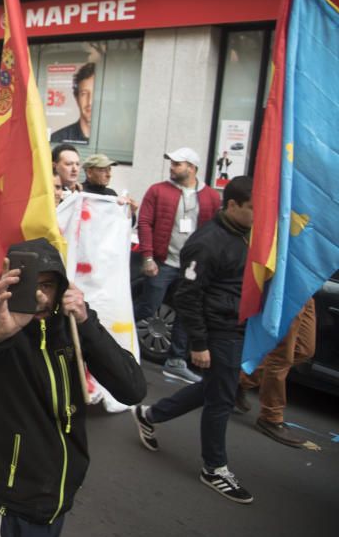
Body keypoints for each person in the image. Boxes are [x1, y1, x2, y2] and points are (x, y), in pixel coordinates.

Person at [0, 237, 145, 537]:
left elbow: (132, 388)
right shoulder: (4, 323)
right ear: (11, 285)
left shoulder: (72, 324)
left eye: (48, 285)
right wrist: (0, 332)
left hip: (61, 488)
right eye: (30, 285)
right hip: (15, 494)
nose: (39, 296)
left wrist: (85, 322)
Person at [133, 176, 255, 504]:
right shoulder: (206, 243)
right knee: (222, 398)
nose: (257, 215)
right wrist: (198, 343)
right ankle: (214, 467)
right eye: (251, 208)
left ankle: (150, 415)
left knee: (214, 388)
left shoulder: (246, 235)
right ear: (232, 206)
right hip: (219, 331)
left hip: (237, 325)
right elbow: (187, 296)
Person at [137, 147, 221, 383]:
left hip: (192, 267)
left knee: (187, 312)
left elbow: (215, 231)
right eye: (172, 163)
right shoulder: (157, 190)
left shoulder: (211, 197)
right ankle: (115, 336)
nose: (172, 168)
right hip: (163, 262)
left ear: (192, 168)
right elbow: (144, 222)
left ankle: (176, 361)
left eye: (177, 164)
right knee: (147, 306)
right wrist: (148, 257)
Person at [235, 299, 316, 447]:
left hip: (308, 289)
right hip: (290, 287)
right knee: (281, 356)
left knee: (303, 350)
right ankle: (270, 417)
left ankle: (241, 381)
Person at [50, 62, 94, 144]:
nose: (90, 102)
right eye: (84, 94)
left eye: (95, 94)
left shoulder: (114, 139)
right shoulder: (57, 138)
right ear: (76, 98)